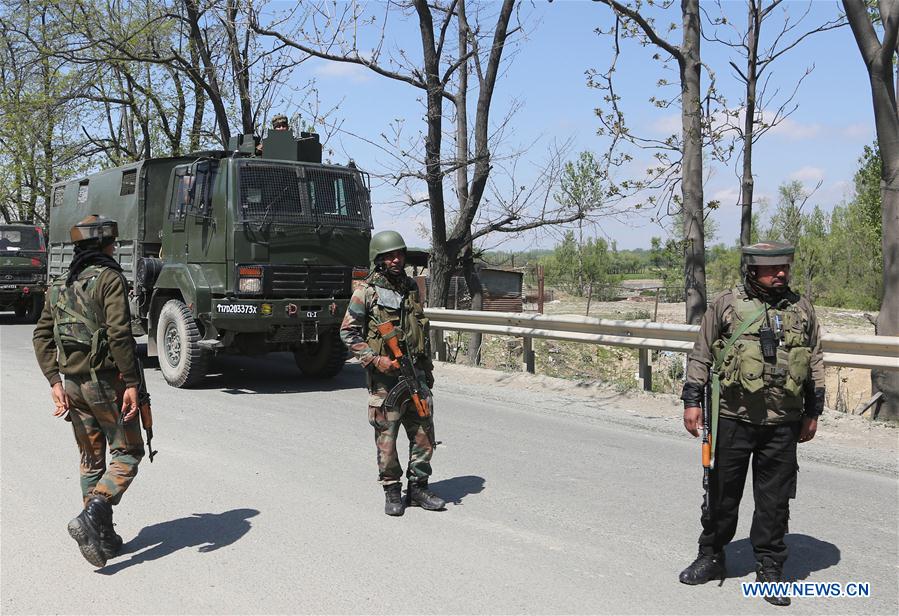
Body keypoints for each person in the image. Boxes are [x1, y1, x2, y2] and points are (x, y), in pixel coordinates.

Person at [678, 241, 825, 606]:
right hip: (732, 418)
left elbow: (816, 360)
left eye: (785, 268)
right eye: (773, 269)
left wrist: (813, 411)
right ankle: (711, 555)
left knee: (775, 501)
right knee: (722, 493)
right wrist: (692, 401)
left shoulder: (802, 308)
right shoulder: (727, 304)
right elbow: (701, 353)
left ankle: (770, 566)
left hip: (783, 422)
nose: (781, 274)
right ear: (752, 270)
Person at [33, 215, 146, 568]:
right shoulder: (109, 279)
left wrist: (54, 382)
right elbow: (119, 335)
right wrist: (131, 383)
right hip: (106, 384)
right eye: (112, 244)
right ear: (104, 246)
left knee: (91, 461)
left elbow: (41, 336)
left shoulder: (59, 285)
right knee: (127, 454)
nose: (114, 248)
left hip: (73, 387)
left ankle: (102, 540)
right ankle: (95, 512)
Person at [339, 230, 445, 516]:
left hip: (415, 374)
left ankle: (419, 487)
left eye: (400, 254)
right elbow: (347, 332)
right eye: (390, 256)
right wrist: (374, 360)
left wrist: (427, 371)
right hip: (386, 379)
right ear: (379, 259)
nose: (397, 260)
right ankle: (392, 491)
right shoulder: (366, 291)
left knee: (424, 431)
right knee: (387, 437)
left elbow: (419, 330)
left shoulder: (411, 287)